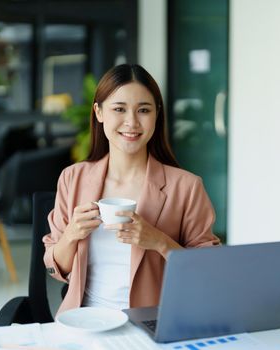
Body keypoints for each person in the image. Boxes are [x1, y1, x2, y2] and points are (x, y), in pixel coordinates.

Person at [43, 64, 220, 315]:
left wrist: (159, 241)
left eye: (144, 110)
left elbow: (209, 273)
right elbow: (56, 270)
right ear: (99, 112)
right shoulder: (73, 178)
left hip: (155, 323)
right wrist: (71, 234)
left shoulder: (187, 187)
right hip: (84, 322)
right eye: (119, 109)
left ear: (156, 115)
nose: (132, 122)